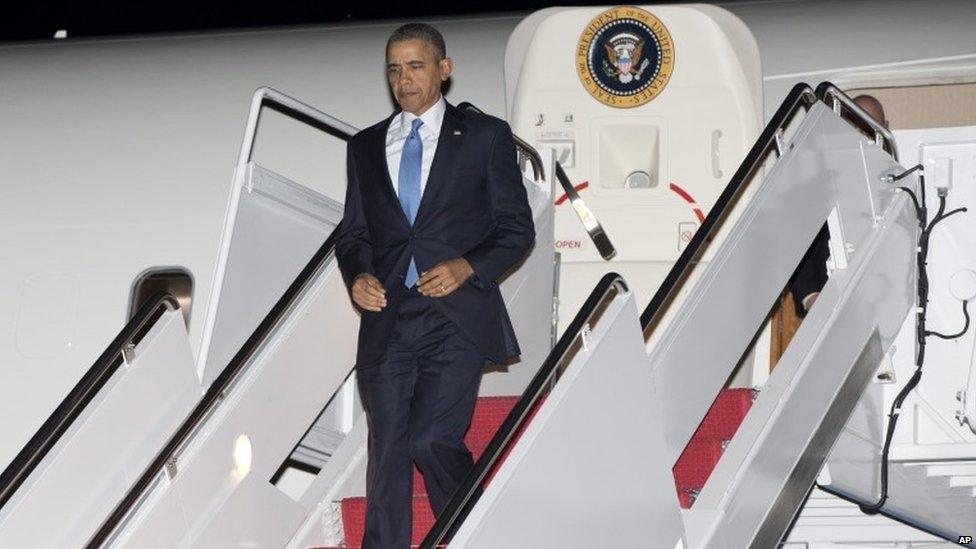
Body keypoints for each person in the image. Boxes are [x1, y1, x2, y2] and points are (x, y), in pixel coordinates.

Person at [335, 22, 535, 548]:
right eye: (394, 69)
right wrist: (357, 274)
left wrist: (468, 266)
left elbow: (517, 230)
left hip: (454, 317)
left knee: (430, 438)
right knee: (387, 450)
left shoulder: (486, 137)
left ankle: (473, 533)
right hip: (388, 319)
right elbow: (353, 233)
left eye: (416, 65)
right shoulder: (364, 146)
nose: (404, 79)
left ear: (444, 70)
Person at [788, 94, 888, 316]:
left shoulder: (900, 181)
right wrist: (812, 297)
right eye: (856, 125)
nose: (863, 134)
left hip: (888, 301)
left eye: (871, 126)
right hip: (834, 306)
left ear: (885, 127)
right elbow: (799, 241)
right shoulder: (821, 180)